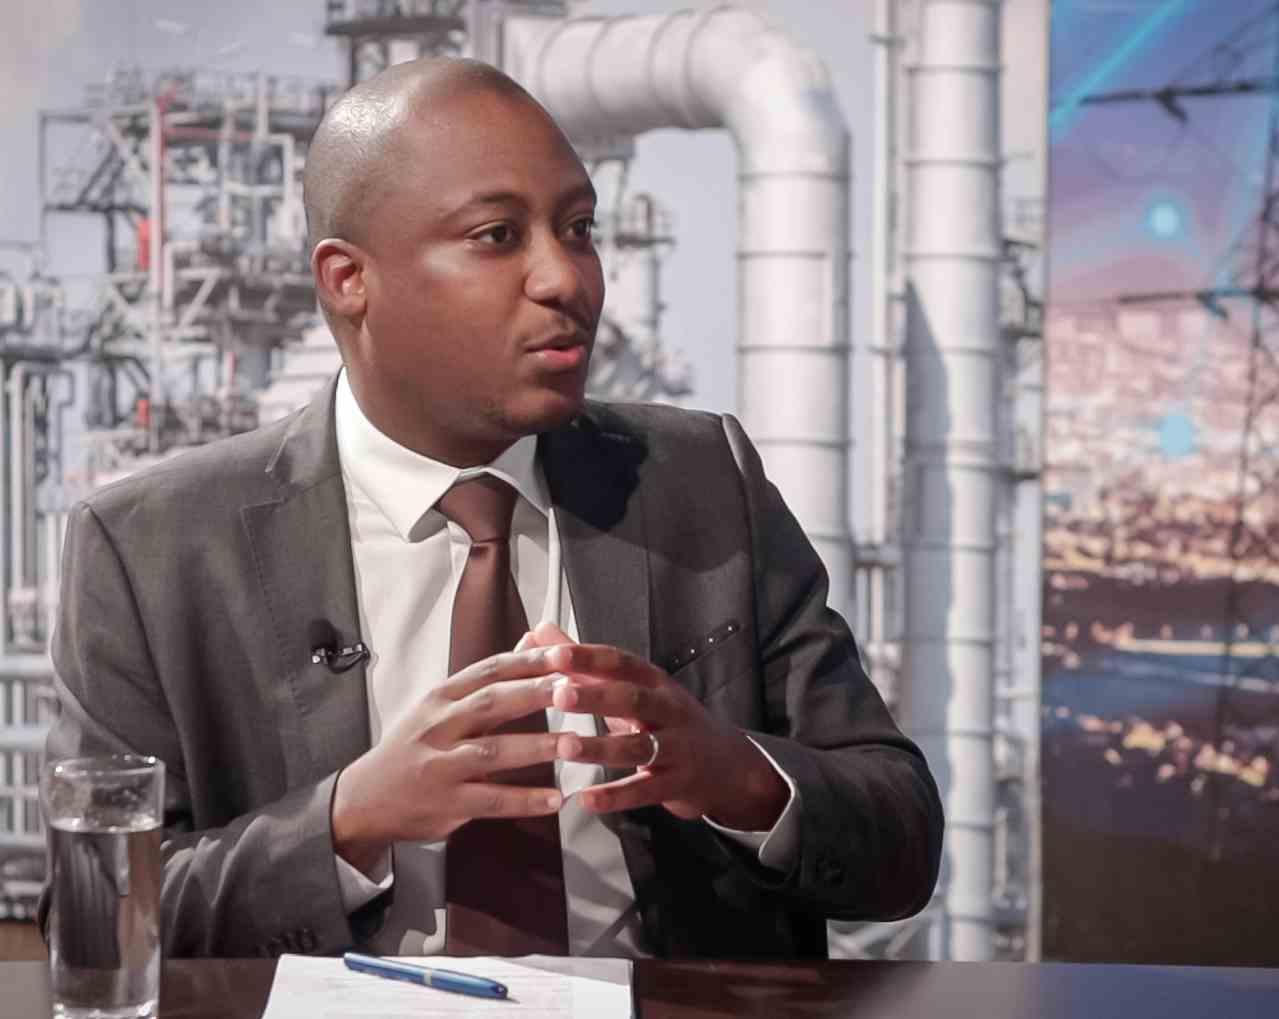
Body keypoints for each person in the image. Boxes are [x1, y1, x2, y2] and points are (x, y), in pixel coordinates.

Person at [44, 57, 943, 960]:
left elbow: (900, 839)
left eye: (578, 228)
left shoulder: (704, 481)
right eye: (497, 236)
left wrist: (732, 772)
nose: (565, 280)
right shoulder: (148, 547)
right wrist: (347, 821)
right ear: (348, 279)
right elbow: (94, 921)